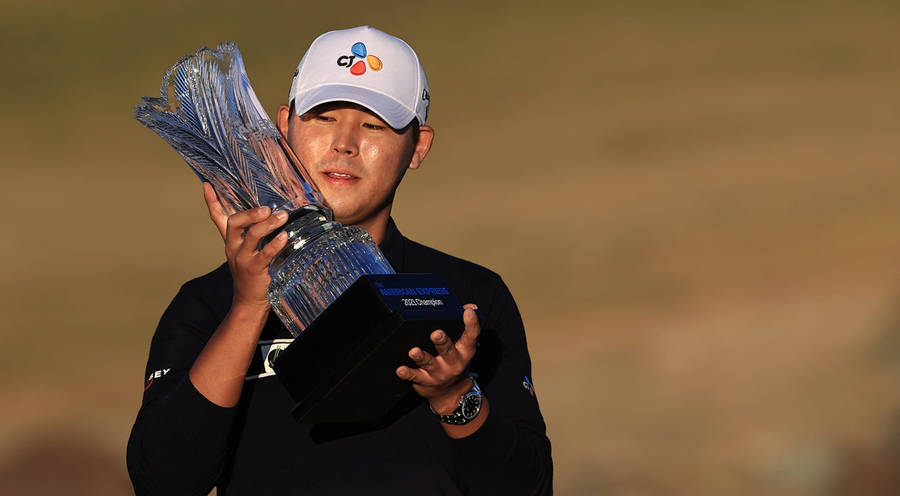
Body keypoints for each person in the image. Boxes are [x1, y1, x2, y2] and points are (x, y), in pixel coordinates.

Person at [127, 25, 552, 495]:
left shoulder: (469, 296)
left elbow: (529, 487)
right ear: (283, 126)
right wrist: (249, 306)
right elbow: (161, 480)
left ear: (419, 146)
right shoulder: (207, 304)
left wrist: (454, 396)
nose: (344, 144)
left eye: (374, 125)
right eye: (324, 117)